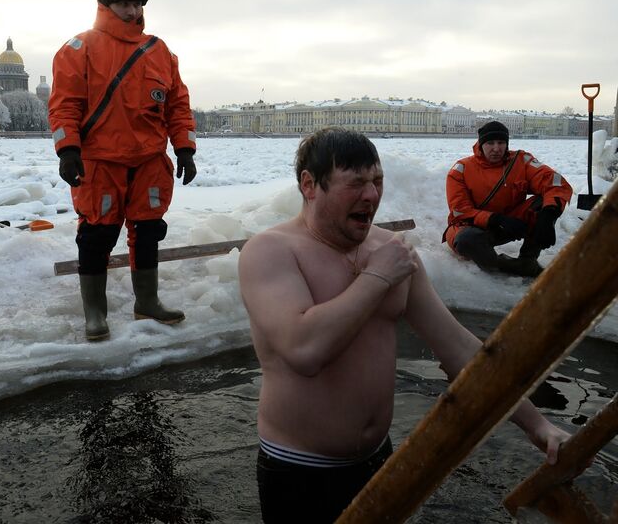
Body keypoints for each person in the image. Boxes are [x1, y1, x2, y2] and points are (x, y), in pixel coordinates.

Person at [237, 127, 569, 524]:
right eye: (355, 183)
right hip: (300, 470)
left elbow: (458, 346)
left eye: (377, 182)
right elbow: (304, 350)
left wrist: (537, 426)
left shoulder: (391, 253)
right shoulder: (271, 251)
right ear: (310, 185)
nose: (372, 196)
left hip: (379, 460)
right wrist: (377, 278)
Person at [49, 0, 197, 342]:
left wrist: (185, 148)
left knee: (148, 232)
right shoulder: (78, 49)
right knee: (97, 235)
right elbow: (64, 105)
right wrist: (67, 150)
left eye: (137, 4)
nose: (132, 11)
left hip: (149, 161)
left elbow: (178, 106)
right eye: (124, 4)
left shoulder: (160, 52)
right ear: (106, 4)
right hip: (100, 162)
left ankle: (147, 301)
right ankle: (95, 314)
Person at [444, 120, 572, 277]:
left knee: (544, 203)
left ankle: (528, 259)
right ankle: (505, 266)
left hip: (511, 223)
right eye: (490, 143)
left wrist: (549, 215)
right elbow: (460, 211)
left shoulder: (521, 161)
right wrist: (496, 219)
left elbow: (555, 182)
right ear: (480, 144)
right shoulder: (460, 170)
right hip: (472, 226)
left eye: (501, 142)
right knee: (467, 240)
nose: (496, 148)